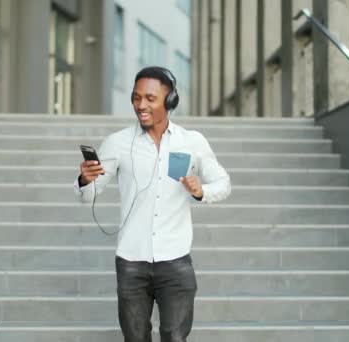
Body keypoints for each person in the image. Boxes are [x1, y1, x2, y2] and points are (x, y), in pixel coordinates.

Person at [74, 66, 231, 342]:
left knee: (175, 338)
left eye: (150, 98)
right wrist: (85, 181)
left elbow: (224, 183)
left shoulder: (191, 141)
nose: (140, 105)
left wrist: (200, 191)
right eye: (136, 98)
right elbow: (89, 197)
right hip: (131, 263)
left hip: (176, 261)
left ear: (170, 101)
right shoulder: (118, 143)